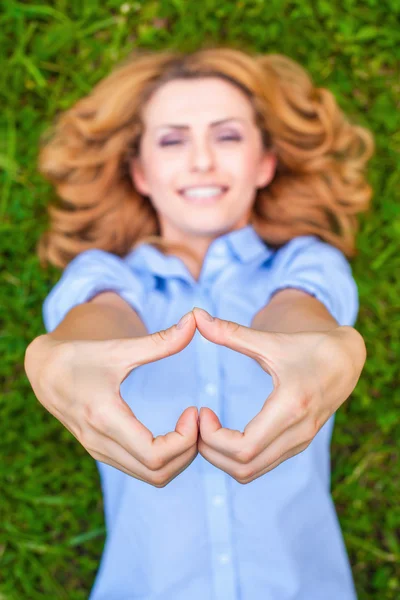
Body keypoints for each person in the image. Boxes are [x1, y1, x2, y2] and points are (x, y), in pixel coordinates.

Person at [24, 46, 374, 599]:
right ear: (140, 173)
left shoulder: (303, 262)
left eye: (228, 136)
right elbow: (96, 318)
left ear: (265, 162)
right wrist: (60, 358)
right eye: (172, 139)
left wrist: (319, 346)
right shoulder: (107, 275)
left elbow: (299, 309)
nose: (203, 160)